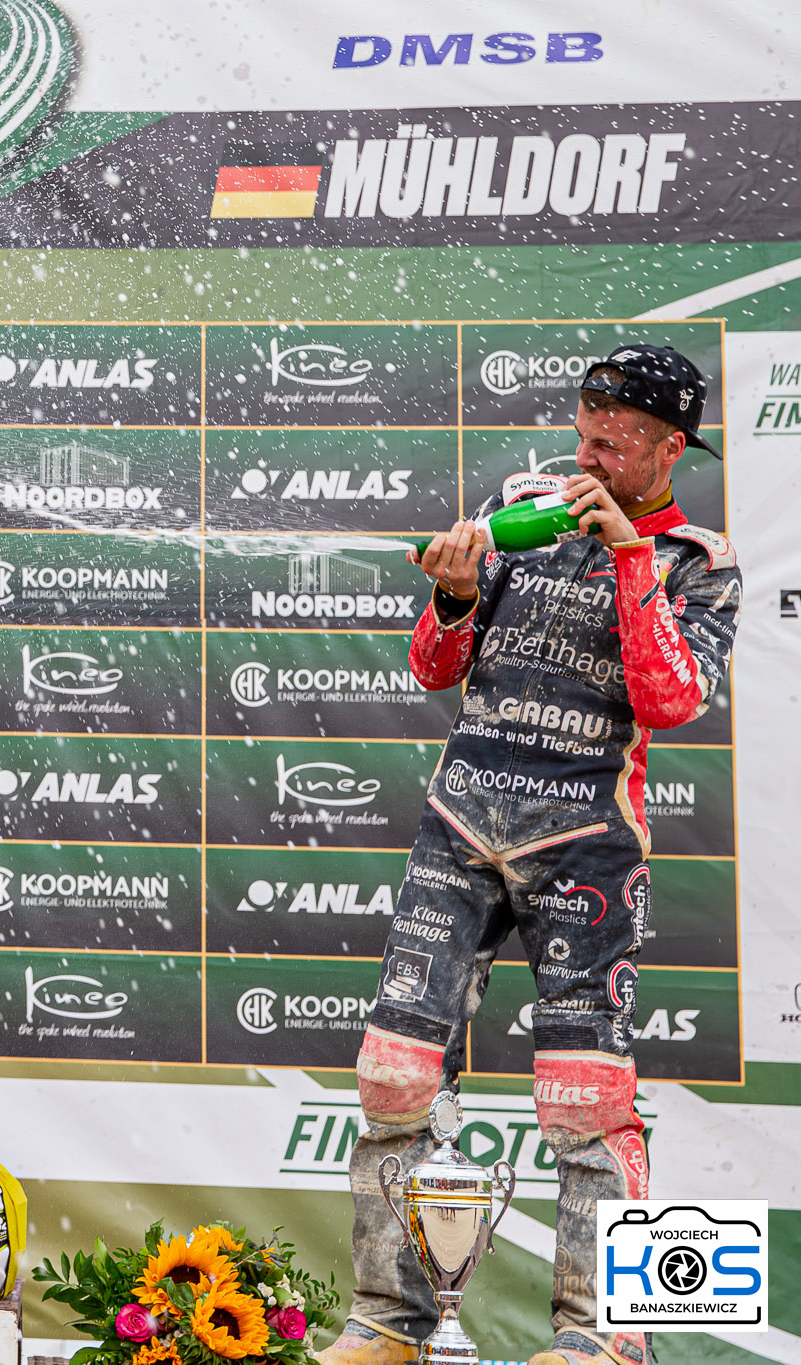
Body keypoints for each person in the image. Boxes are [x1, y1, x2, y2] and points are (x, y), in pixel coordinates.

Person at [317, 346, 740, 1365]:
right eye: (583, 434)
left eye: (612, 444)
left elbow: (670, 698)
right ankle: (387, 1321)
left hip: (585, 843)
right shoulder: (521, 506)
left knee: (586, 1096)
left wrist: (629, 555)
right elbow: (436, 668)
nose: (585, 457)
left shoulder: (699, 560)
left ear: (668, 449)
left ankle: (605, 1337)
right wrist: (456, 596)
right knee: (393, 1075)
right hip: (460, 824)